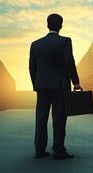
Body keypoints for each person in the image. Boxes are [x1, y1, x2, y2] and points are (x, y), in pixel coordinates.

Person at [29, 13, 81, 160]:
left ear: (47, 25)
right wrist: (75, 82)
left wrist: (37, 84)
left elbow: (32, 68)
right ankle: (58, 150)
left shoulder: (35, 44)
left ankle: (39, 150)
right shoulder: (65, 41)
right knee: (59, 118)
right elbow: (69, 62)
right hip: (60, 86)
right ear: (61, 26)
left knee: (41, 117)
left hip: (42, 86)